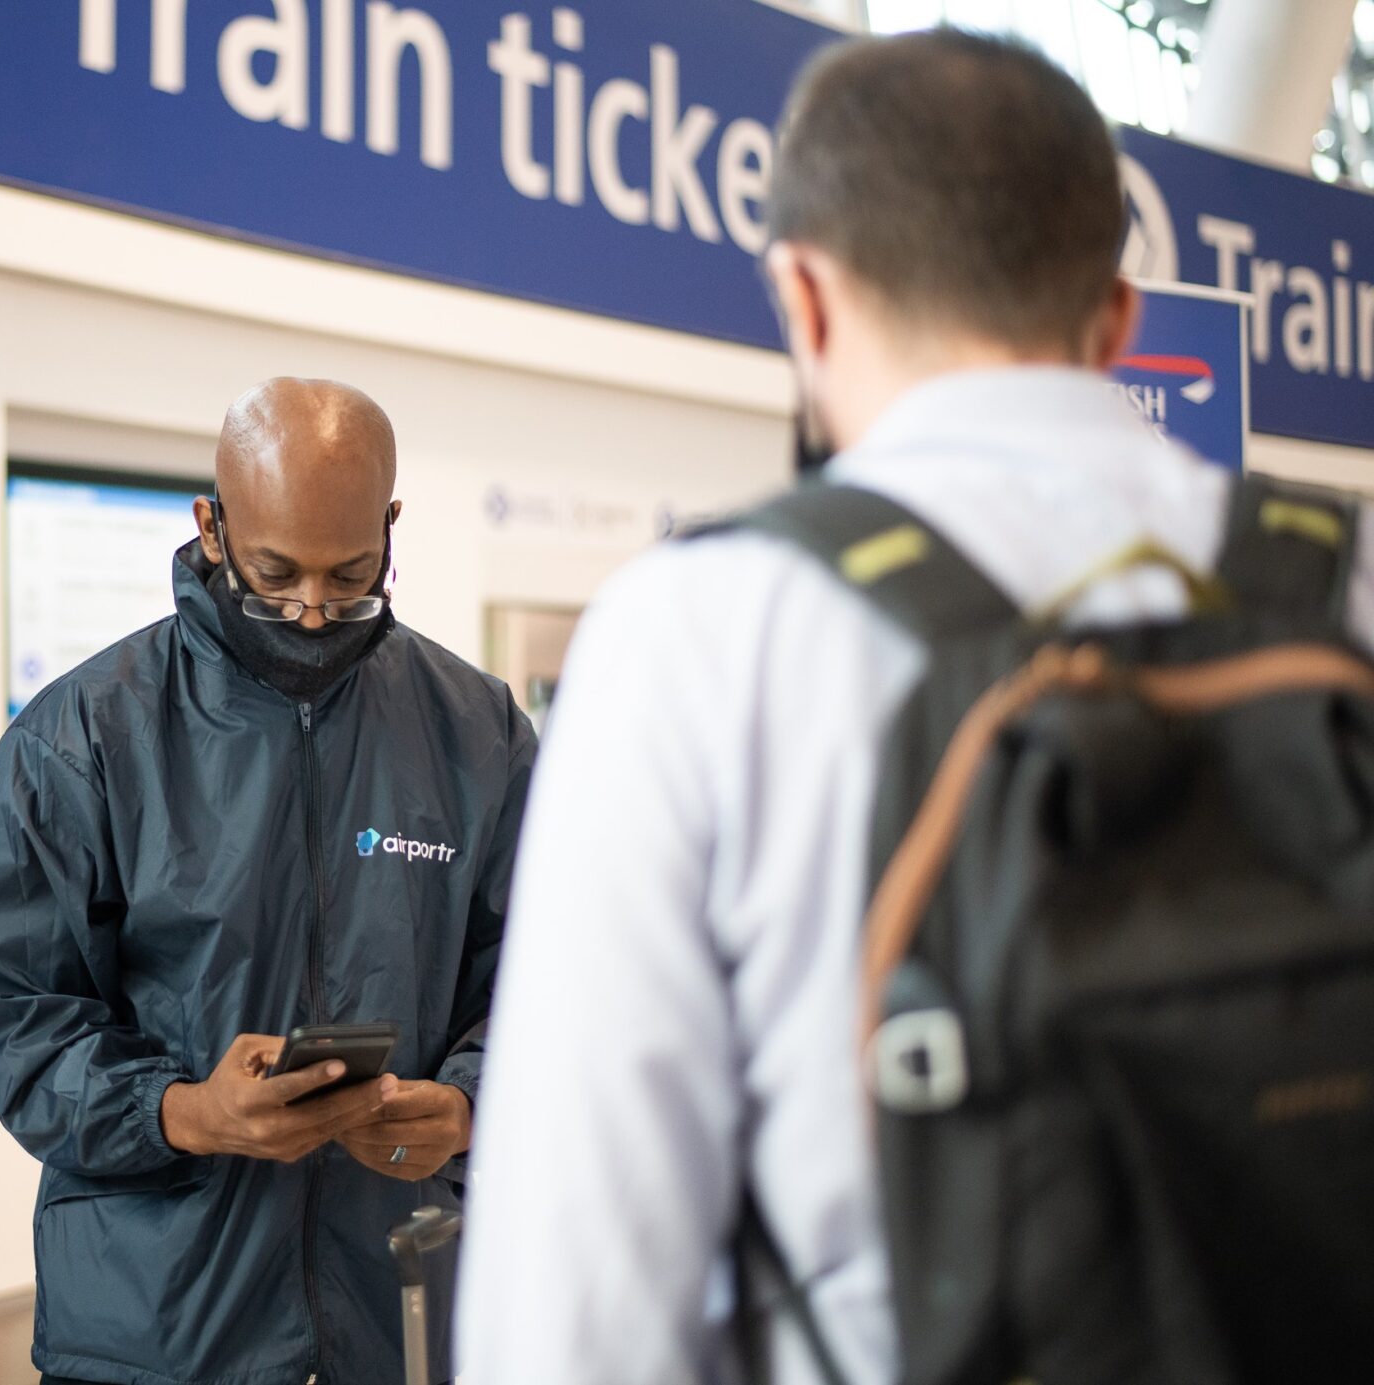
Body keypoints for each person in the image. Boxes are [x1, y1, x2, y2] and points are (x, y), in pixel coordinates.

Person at [458, 28, 1374, 1385]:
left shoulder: (702, 629)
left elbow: (579, 1292)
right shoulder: (1341, 581)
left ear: (805, 301)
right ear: (1118, 316)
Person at [0, 378, 536, 1385]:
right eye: (274, 574)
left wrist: (474, 1103)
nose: (311, 609)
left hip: (402, 1312)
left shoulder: (477, 732)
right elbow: (14, 1009)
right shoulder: (81, 736)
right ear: (211, 526)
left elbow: (546, 980)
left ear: (390, 526)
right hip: (156, 1323)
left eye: (350, 574)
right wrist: (182, 1111)